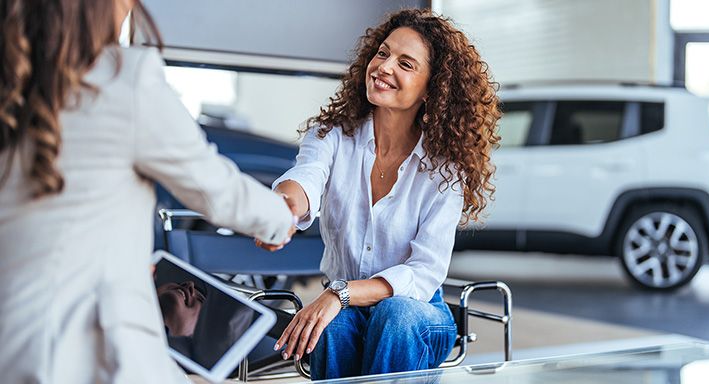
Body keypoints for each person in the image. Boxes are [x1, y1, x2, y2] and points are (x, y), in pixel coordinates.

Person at [0, 0, 295, 382]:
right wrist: (281, 219)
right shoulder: (122, 79)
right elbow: (217, 190)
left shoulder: (12, 79)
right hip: (88, 348)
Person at [268, 8, 501, 380]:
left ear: (432, 88)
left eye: (405, 63)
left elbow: (424, 274)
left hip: (419, 314)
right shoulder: (332, 136)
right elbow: (305, 179)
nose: (384, 66)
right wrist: (281, 208)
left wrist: (338, 294)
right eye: (382, 53)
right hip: (346, 310)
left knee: (395, 316)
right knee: (331, 328)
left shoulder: (445, 169)